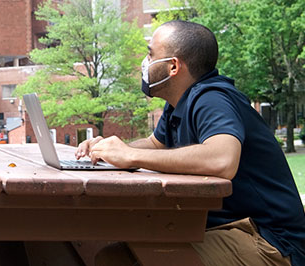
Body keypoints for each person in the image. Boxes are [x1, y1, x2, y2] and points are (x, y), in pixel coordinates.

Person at [77, 20, 305, 265]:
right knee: (111, 256)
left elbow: (222, 159)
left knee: (127, 261)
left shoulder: (212, 99)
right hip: (228, 231)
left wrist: (130, 156)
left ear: (173, 66)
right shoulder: (180, 103)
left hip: (270, 242)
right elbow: (156, 144)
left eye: (150, 54)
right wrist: (111, 149)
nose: (144, 62)